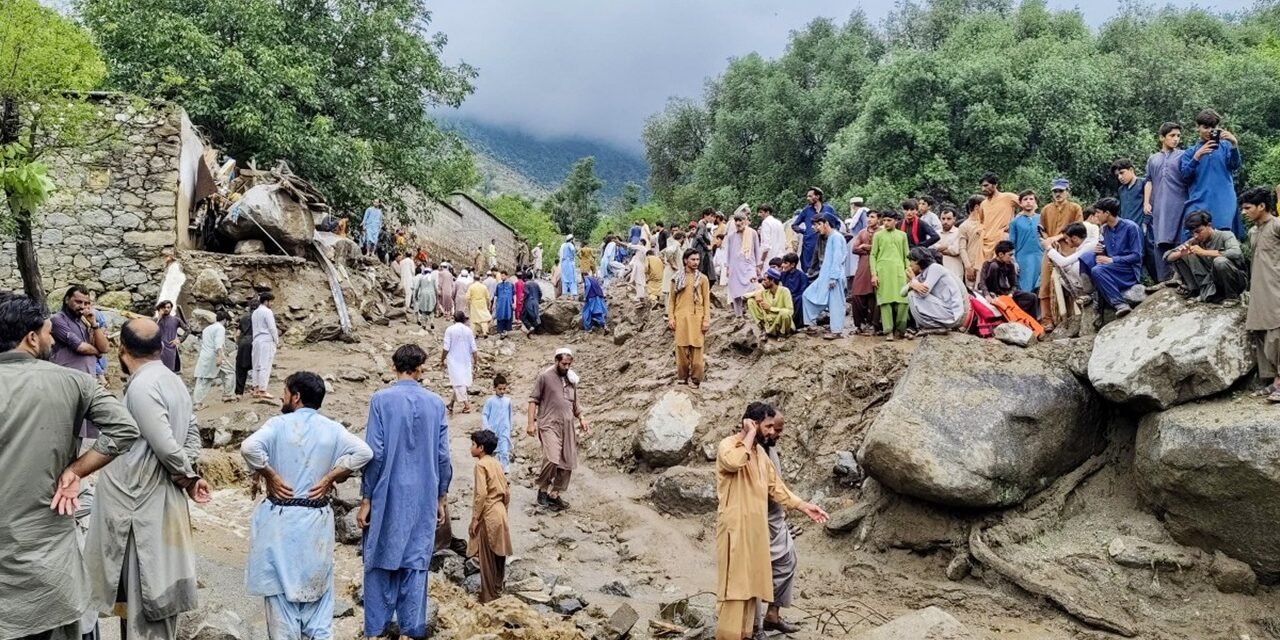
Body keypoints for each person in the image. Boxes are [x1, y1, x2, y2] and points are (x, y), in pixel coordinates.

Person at [0, 294, 139, 640]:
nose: (50, 340)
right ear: (31, 337)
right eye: (47, 334)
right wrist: (76, 471)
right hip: (46, 570)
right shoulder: (75, 382)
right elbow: (125, 430)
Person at [85, 318, 209, 640]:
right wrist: (188, 471)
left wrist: (190, 478)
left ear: (122, 350)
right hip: (159, 502)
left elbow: (165, 446)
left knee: (147, 601)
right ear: (162, 347)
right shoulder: (173, 381)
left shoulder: (141, 387)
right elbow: (191, 434)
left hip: (140, 510)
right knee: (152, 599)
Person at [241, 371, 372, 639]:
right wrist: (331, 476)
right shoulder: (332, 428)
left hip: (281, 518)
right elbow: (365, 453)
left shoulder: (278, 425)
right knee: (318, 603)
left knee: (281, 600)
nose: (281, 395)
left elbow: (249, 447)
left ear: (296, 397)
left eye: (285, 391)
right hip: (316, 520)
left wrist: (270, 474)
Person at [359, 344, 452, 640]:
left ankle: (376, 631)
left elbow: (375, 452)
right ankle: (412, 630)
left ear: (395, 367)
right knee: (415, 562)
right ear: (420, 367)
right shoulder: (436, 404)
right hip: (424, 494)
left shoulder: (380, 400)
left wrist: (366, 499)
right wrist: (441, 497)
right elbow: (443, 456)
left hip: (387, 491)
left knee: (379, 557)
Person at [714, 402, 828, 640]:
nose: (770, 432)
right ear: (752, 424)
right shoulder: (728, 446)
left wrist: (806, 507)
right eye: (766, 426)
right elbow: (734, 462)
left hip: (756, 533)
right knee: (735, 589)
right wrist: (750, 434)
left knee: (751, 587)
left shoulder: (760, 455)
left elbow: (777, 489)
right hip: (735, 531)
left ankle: (747, 633)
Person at [751, 407, 805, 637]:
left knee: (788, 562)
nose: (777, 433)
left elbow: (777, 485)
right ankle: (755, 628)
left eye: (778, 429)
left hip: (775, 517)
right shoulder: (747, 451)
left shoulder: (769, 449)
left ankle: (773, 615)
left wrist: (787, 507)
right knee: (755, 574)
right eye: (772, 429)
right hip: (755, 522)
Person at [527, 348, 590, 510]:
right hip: (549, 423)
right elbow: (533, 400)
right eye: (563, 364)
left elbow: (575, 404)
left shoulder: (571, 379)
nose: (567, 367)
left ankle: (555, 494)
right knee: (552, 458)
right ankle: (542, 489)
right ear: (556, 361)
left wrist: (582, 418)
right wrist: (531, 423)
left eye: (569, 364)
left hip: (567, 427)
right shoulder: (545, 377)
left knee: (567, 462)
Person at [1241, 187, 1280, 402]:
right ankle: (1273, 381)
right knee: (1260, 331)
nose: (1244, 212)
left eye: (1247, 208)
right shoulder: (1253, 232)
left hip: (1276, 287)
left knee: (1277, 333)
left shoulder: (1276, 226)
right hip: (1258, 287)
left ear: (1262, 206)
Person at [1181, 109, 1243, 238]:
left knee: (1222, 238)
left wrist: (1234, 144)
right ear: (1197, 127)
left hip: (1223, 201)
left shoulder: (1226, 146)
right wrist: (1197, 157)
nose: (1210, 131)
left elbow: (1235, 166)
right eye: (1205, 127)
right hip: (1198, 201)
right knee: (1194, 236)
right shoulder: (1190, 152)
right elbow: (1185, 177)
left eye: (1213, 127)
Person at [1164, 211, 1247, 304]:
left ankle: (1232, 297)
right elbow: (1167, 256)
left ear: (1209, 225)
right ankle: (1197, 292)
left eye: (1199, 231)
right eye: (1192, 233)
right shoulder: (1194, 241)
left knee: (1220, 262)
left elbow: (1236, 252)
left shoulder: (1225, 235)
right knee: (1182, 255)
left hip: (1235, 280)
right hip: (1211, 282)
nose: (1195, 235)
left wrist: (1205, 252)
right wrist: (1181, 253)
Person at [467, 430, 512, 604]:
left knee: (486, 558)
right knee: (499, 555)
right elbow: (507, 491)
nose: (471, 448)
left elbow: (481, 494)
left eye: (473, 444)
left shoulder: (481, 465)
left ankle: (488, 597)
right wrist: (504, 510)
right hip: (500, 511)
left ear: (481, 448)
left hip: (489, 513)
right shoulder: (497, 463)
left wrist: (475, 519)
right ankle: (498, 590)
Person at [1037, 180, 1084, 331]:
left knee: (1070, 282)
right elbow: (1041, 230)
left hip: (1069, 249)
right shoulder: (1046, 209)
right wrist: (1047, 240)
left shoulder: (1075, 208)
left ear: (1067, 191)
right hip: (1050, 250)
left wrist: (1057, 238)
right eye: (1055, 191)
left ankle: (1073, 317)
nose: (1058, 194)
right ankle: (1047, 320)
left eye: (1061, 191)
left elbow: (1078, 228)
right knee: (1045, 284)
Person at [1086, 197, 1145, 318]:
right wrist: (1099, 252)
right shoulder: (1104, 229)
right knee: (1088, 259)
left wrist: (1112, 260)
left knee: (1097, 270)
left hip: (1129, 271)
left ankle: (1120, 304)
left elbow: (1137, 256)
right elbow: (1104, 254)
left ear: (1107, 213)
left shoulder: (1131, 227)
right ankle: (1098, 301)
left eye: (1098, 212)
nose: (1096, 215)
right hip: (1113, 269)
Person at [1146, 123, 1189, 282]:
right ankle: (1163, 280)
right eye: (1172, 135)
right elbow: (1149, 181)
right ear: (1162, 138)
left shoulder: (1184, 155)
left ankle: (1182, 278)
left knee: (1180, 240)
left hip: (1180, 204)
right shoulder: (1153, 159)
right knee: (1160, 240)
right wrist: (1146, 202)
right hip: (1159, 206)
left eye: (1178, 136)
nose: (1176, 139)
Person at [668, 249, 712, 387]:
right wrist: (671, 318)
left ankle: (696, 379)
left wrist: (706, 320)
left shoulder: (703, 279)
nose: (696, 262)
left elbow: (706, 301)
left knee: (697, 351)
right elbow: (671, 301)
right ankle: (682, 377)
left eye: (697, 260)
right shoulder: (676, 278)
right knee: (681, 350)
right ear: (686, 260)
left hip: (697, 318)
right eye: (693, 259)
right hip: (680, 318)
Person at [801, 215, 849, 340]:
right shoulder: (830, 237)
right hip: (825, 276)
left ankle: (837, 331)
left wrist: (833, 277)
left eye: (818, 224)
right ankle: (811, 324)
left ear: (826, 223)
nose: (815, 227)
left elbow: (837, 259)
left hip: (834, 276)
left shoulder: (836, 237)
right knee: (808, 295)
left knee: (836, 304)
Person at [1041, 223, 1098, 318]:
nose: (1066, 241)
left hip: (1093, 283)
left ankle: (1089, 294)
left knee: (1076, 266)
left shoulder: (1090, 245)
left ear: (1075, 238)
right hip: (1085, 282)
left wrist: (1049, 248)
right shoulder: (1082, 246)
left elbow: (1064, 262)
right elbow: (1066, 266)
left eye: (1067, 238)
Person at [905, 247, 967, 333]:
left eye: (911, 261)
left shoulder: (935, 268)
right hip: (945, 310)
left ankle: (935, 326)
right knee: (910, 294)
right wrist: (913, 283)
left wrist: (914, 281)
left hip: (952, 313)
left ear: (917, 261)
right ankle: (931, 326)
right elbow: (902, 292)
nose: (909, 264)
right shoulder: (923, 274)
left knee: (912, 295)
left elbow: (923, 293)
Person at [1114, 159, 1157, 281]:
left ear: (1131, 170)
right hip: (1128, 230)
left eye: (1122, 173)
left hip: (1144, 228)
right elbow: (1122, 210)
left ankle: (1160, 281)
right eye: (1117, 175)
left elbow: (1150, 205)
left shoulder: (1143, 183)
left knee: (1150, 256)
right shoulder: (1121, 190)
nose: (1120, 177)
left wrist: (1145, 223)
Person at [871, 211, 910, 341]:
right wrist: (874, 274)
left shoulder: (902, 235)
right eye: (884, 220)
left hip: (899, 271)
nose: (886, 223)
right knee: (885, 302)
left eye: (889, 220)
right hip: (883, 271)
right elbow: (873, 255)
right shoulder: (878, 235)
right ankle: (888, 331)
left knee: (903, 301)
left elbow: (906, 255)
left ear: (895, 221)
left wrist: (908, 271)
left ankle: (901, 329)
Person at [980, 240, 1040, 317]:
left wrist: (1010, 294)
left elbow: (1014, 285)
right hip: (991, 292)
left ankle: (1031, 323)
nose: (1012, 258)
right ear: (1001, 254)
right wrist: (987, 294)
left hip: (1005, 292)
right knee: (994, 266)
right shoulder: (987, 264)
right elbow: (982, 282)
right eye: (1010, 255)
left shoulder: (1010, 265)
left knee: (1032, 297)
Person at [192, 308, 234, 409]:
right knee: (210, 378)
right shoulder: (220, 328)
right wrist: (220, 357)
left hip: (205, 355)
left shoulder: (207, 329)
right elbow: (218, 344)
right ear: (224, 320)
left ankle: (227, 394)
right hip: (214, 356)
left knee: (204, 377)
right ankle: (226, 395)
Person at [975, 173, 1021, 259]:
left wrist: (1014, 222)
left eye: (986, 185)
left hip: (1002, 240)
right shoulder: (983, 204)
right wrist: (980, 232)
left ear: (995, 185)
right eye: (982, 186)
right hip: (985, 243)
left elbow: (1026, 206)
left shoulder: (1008, 197)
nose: (983, 189)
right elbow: (980, 222)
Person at [726, 211, 763, 316]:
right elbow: (728, 253)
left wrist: (758, 266)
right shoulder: (731, 236)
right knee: (736, 291)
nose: (738, 223)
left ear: (745, 221)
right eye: (736, 221)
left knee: (753, 287)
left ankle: (753, 313)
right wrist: (728, 268)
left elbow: (757, 250)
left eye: (740, 220)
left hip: (749, 265)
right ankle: (739, 315)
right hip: (735, 267)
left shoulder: (753, 233)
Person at [849, 211, 881, 334]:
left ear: (879, 219)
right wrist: (865, 248)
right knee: (857, 294)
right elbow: (854, 249)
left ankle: (873, 324)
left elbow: (881, 248)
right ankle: (860, 324)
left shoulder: (882, 232)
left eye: (872, 217)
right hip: (862, 265)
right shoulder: (862, 232)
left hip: (877, 265)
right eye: (868, 217)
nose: (869, 219)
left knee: (873, 295)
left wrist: (867, 247)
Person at [793, 187, 837, 273]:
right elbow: (794, 225)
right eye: (807, 196)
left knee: (825, 266)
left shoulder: (828, 209)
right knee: (809, 268)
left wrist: (831, 234)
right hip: (810, 244)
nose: (808, 198)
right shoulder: (806, 210)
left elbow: (836, 223)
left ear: (817, 196)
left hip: (825, 243)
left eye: (810, 196)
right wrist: (805, 231)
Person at [442, 310, 478, 413]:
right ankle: (451, 404)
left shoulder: (450, 330)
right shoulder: (468, 330)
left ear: (454, 318)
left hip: (454, 360)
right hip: (466, 360)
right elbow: (474, 349)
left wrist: (442, 359)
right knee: (460, 381)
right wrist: (476, 362)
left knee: (458, 383)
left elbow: (446, 347)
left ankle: (467, 405)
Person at [1009, 190, 1043, 293]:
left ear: (1035, 202)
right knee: (1025, 288)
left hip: (1040, 257)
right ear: (1020, 203)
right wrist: (1013, 261)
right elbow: (1011, 243)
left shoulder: (1042, 218)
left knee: (1041, 288)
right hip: (1023, 259)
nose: (1028, 201)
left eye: (1031, 199)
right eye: (1025, 199)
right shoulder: (1015, 222)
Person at [746, 269, 795, 339]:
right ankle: (763, 329)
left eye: (765, 280)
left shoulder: (785, 291)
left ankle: (782, 334)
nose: (763, 283)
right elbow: (743, 297)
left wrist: (771, 308)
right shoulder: (765, 292)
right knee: (750, 301)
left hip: (781, 320)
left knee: (785, 313)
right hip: (769, 321)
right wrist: (756, 294)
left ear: (772, 280)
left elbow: (790, 311)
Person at [482, 374, 514, 471]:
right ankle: (491, 471)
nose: (502, 391)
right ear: (494, 388)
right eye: (500, 389)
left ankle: (504, 472)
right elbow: (484, 414)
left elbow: (510, 416)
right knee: (492, 451)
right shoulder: (490, 401)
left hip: (504, 430)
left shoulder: (508, 401)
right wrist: (487, 427)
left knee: (504, 452)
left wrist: (509, 428)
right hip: (492, 430)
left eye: (504, 389)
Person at [252, 291, 281, 399]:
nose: (271, 304)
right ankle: (262, 389)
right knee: (265, 364)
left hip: (256, 340)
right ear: (266, 301)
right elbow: (272, 328)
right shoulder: (267, 312)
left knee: (256, 365)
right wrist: (276, 340)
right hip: (266, 339)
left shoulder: (255, 313)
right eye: (271, 302)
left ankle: (255, 388)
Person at [958, 195, 987, 288]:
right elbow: (962, 248)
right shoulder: (964, 226)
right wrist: (968, 267)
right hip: (972, 265)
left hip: (986, 263)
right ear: (977, 207)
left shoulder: (987, 223)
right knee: (974, 295)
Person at [777, 253, 809, 333]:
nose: (783, 265)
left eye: (785, 263)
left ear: (793, 265)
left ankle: (797, 325)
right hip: (786, 297)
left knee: (800, 299)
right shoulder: (783, 274)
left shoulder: (801, 275)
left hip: (797, 297)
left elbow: (804, 291)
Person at [154, 300, 188, 373]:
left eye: (168, 307)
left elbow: (188, 330)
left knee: (169, 371)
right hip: (158, 349)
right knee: (157, 370)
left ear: (171, 308)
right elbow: (151, 329)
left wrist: (179, 340)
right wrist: (159, 317)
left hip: (170, 348)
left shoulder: (176, 320)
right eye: (164, 307)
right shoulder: (157, 320)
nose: (166, 309)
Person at [935, 208, 965, 284]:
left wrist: (939, 248)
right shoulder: (935, 234)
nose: (945, 221)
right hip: (939, 272)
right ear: (939, 219)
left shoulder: (959, 232)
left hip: (955, 271)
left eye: (949, 219)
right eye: (943, 219)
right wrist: (948, 246)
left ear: (954, 219)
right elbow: (932, 249)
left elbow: (955, 251)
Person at [235, 300, 257, 397]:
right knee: (256, 367)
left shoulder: (243, 317)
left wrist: (238, 343)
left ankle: (239, 393)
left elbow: (237, 333)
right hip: (255, 341)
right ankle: (255, 389)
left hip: (243, 342)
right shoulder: (259, 317)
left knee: (240, 368)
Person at [694, 208, 719, 285]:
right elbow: (699, 237)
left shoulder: (703, 225)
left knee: (708, 275)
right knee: (708, 275)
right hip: (702, 253)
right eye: (711, 216)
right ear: (705, 215)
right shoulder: (702, 225)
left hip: (703, 253)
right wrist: (706, 246)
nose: (712, 218)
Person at [661, 229, 685, 301]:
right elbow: (668, 252)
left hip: (672, 271)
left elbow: (661, 253)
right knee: (671, 292)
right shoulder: (676, 245)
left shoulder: (673, 244)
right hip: (672, 271)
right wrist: (672, 264)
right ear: (682, 238)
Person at [413, 264, 438, 328]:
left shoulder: (421, 278)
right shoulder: (432, 278)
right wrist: (436, 296)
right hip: (431, 294)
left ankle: (424, 324)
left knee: (423, 309)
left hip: (423, 294)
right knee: (431, 308)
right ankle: (432, 321)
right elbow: (436, 288)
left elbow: (416, 288)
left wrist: (415, 296)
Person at [520, 272, 543, 337]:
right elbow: (540, 293)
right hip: (535, 302)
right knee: (535, 315)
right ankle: (537, 330)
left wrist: (522, 300)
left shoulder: (526, 284)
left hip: (528, 302)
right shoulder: (536, 284)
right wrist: (538, 299)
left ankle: (531, 327)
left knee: (523, 316)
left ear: (526, 277)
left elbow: (526, 293)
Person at [493, 272, 515, 336]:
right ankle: (500, 331)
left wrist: (514, 303)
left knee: (508, 317)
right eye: (501, 276)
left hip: (508, 304)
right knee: (500, 317)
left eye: (503, 276)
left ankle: (506, 331)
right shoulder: (498, 285)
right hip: (500, 304)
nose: (502, 277)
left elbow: (514, 294)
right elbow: (496, 295)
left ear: (506, 276)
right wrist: (494, 304)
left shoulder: (511, 285)